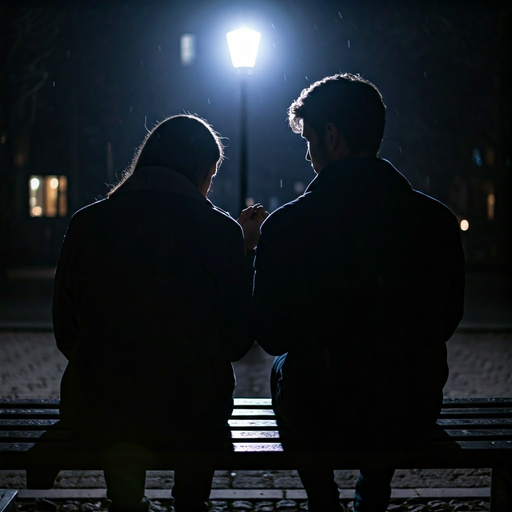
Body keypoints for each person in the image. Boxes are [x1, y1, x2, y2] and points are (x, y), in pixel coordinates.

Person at [253, 74, 465, 512]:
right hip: (408, 410)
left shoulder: (288, 226)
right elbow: (445, 320)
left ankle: (323, 500)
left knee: (283, 368)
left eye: (310, 139)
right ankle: (373, 492)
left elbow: (272, 335)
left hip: (321, 410)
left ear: (332, 137)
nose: (308, 155)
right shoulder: (435, 221)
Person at [52, 114, 266, 512]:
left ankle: (126, 499)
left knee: (118, 394)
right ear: (201, 170)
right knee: (199, 392)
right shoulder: (218, 231)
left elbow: (66, 329)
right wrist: (243, 254)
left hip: (101, 406)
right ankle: (190, 501)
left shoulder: (88, 223)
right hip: (191, 411)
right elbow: (236, 341)